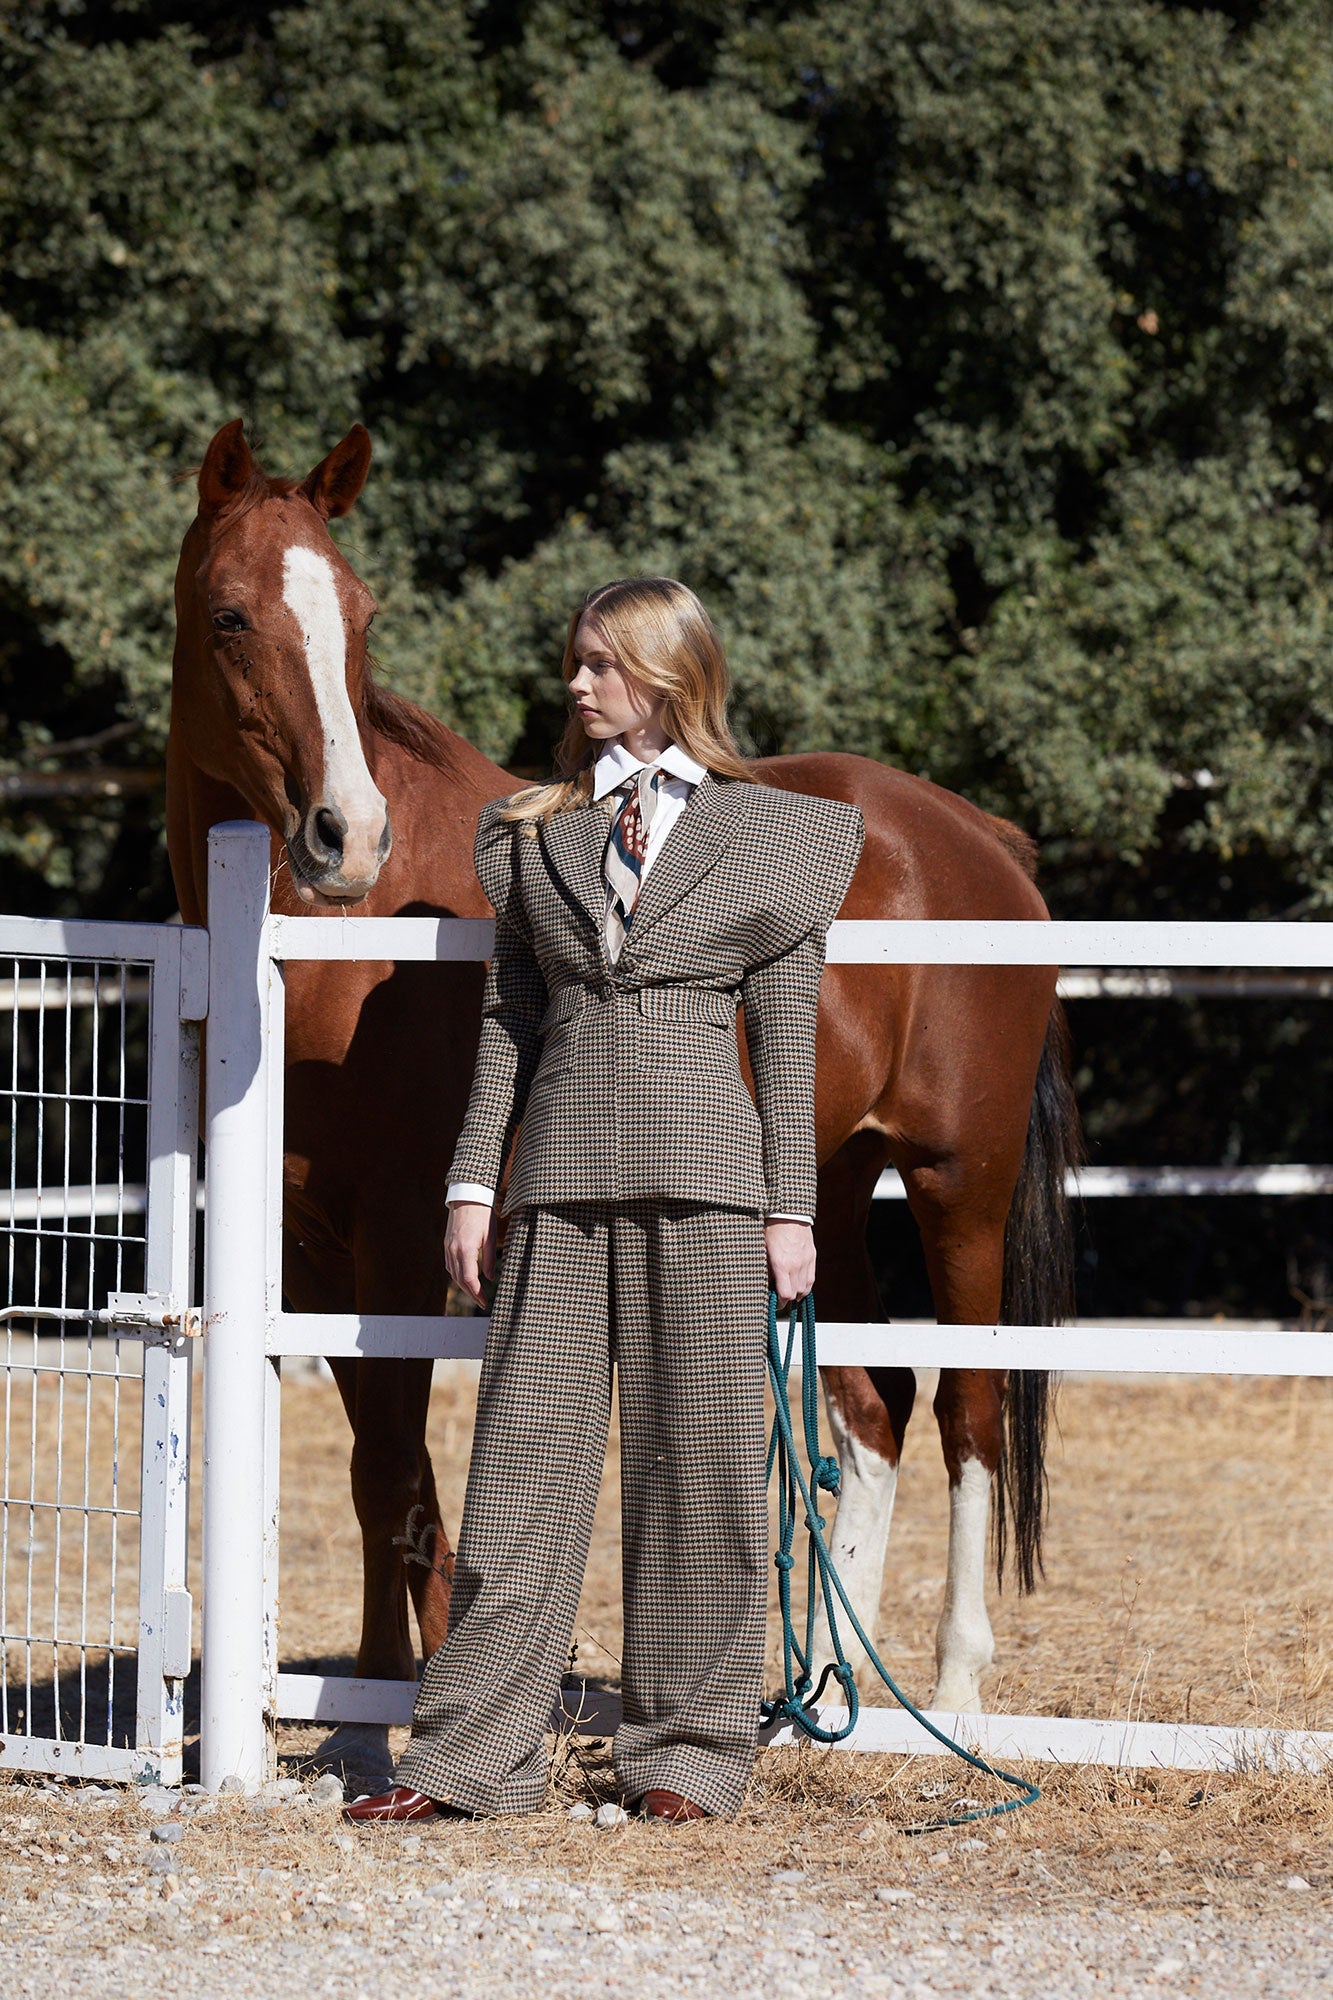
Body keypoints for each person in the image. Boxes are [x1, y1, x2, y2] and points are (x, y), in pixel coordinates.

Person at [346, 576, 864, 1825]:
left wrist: (790, 1208)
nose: (574, 685)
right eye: (573, 663)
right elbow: (509, 1019)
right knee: (521, 1468)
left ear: (667, 673)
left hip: (707, 1177)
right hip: (559, 1177)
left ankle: (685, 1757)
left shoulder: (778, 837)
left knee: (700, 1473)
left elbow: (785, 1041)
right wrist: (475, 1180)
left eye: (599, 665)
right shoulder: (530, 832)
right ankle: (468, 1758)